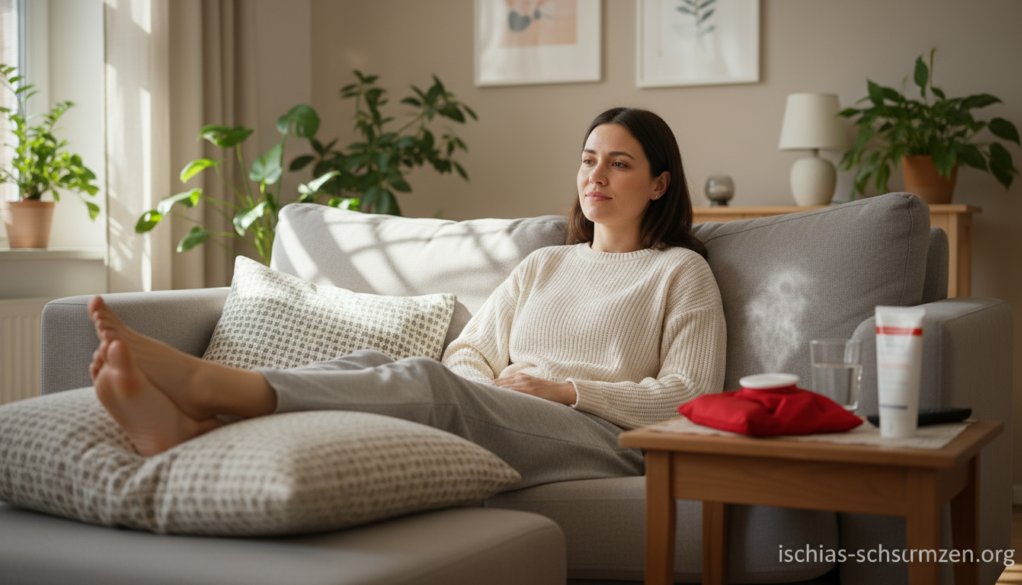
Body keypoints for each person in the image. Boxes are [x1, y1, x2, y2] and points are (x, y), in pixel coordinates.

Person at [89, 107, 727, 489]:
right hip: (508, 411)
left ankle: (208, 387)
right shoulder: (546, 263)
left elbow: (692, 397)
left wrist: (564, 391)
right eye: (589, 160)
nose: (596, 175)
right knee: (377, 367)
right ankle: (201, 423)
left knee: (427, 383)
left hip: (599, 439)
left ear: (658, 183)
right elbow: (471, 350)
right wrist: (498, 390)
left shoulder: (679, 273)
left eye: (619, 163)